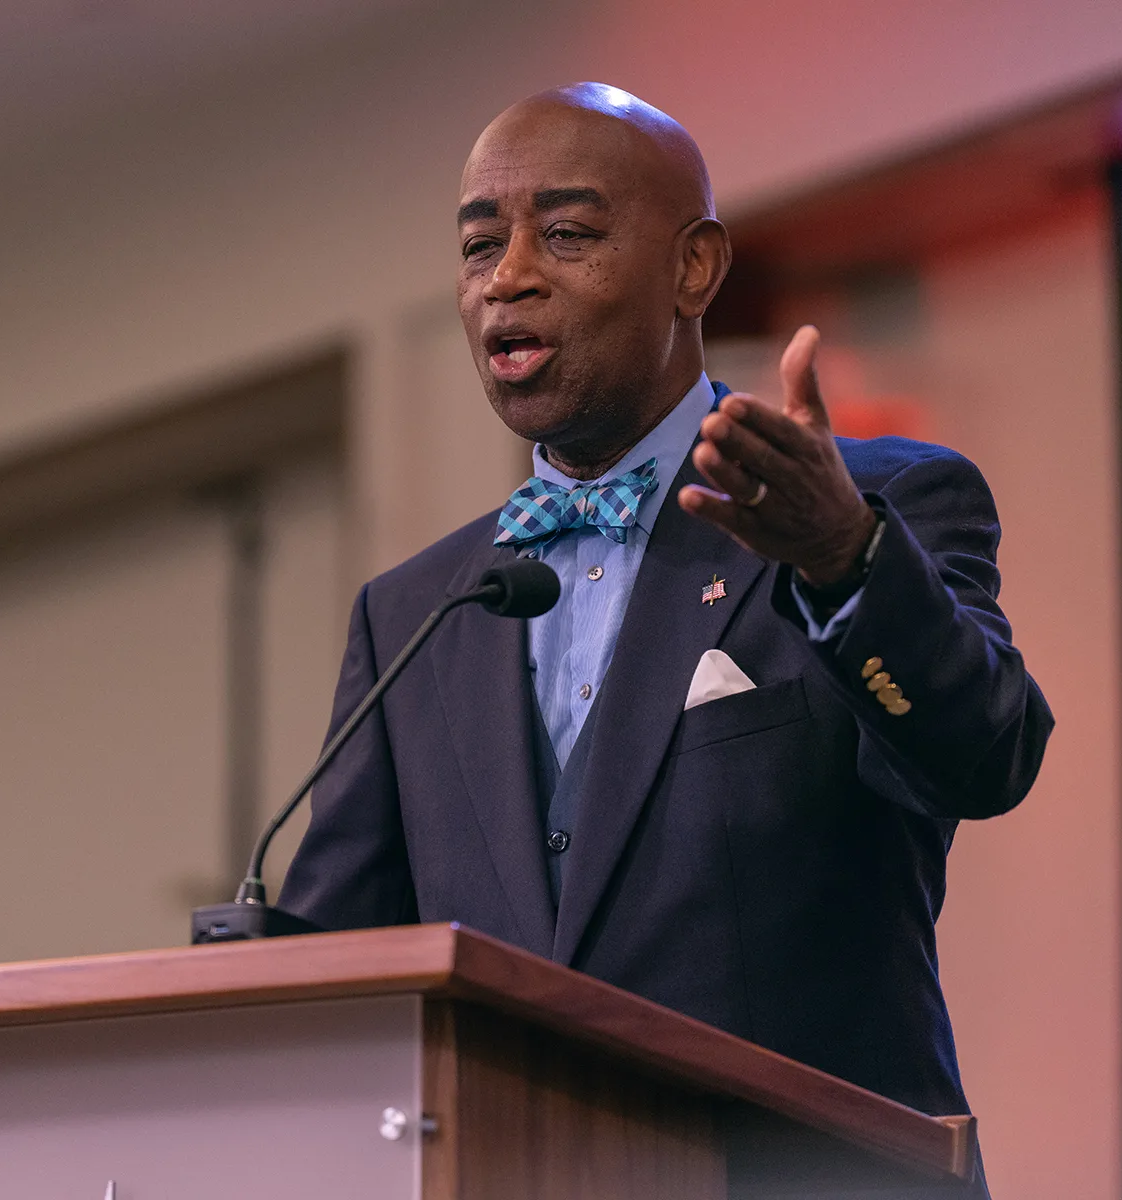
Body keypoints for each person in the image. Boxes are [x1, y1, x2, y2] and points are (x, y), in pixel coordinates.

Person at [278, 83, 1051, 1182]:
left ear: (693, 268)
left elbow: (988, 755)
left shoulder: (875, 502)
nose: (510, 277)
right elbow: (335, 968)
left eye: (568, 235)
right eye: (479, 245)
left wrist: (843, 559)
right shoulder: (417, 609)